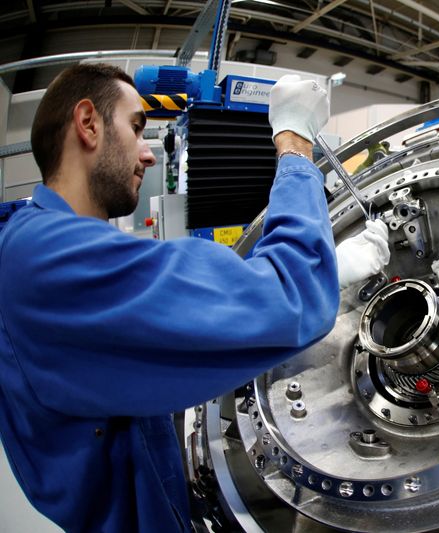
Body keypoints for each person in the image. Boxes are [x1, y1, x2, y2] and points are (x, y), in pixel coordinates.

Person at [0, 63, 389, 532]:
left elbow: (187, 326)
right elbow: (290, 296)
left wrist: (332, 268)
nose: (147, 155)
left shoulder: (38, 246)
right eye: (136, 127)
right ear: (88, 124)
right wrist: (294, 144)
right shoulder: (47, 259)